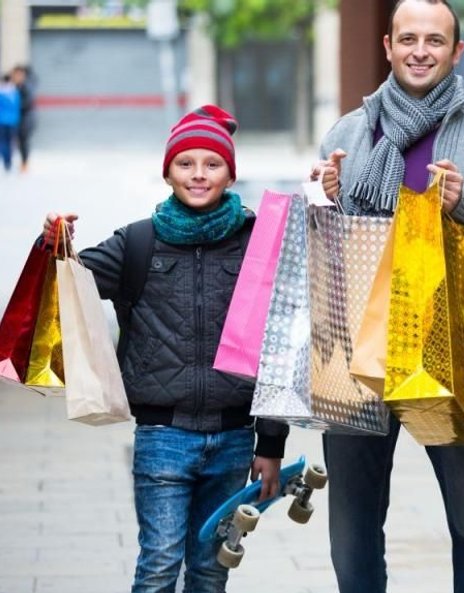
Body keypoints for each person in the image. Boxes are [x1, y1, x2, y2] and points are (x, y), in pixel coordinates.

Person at [309, 1, 464, 591]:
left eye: (435, 40)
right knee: (353, 529)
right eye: (408, 38)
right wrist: (329, 201)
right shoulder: (347, 134)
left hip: (451, 353)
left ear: (456, 52)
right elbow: (323, 257)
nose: (420, 50)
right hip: (357, 358)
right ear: (387, 46)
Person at [43, 105, 289, 593]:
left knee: (209, 569)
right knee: (158, 565)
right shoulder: (137, 242)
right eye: (186, 163)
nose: (199, 174)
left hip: (235, 436)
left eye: (212, 164)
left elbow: (279, 345)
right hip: (161, 436)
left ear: (230, 173)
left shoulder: (256, 243)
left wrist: (272, 445)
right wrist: (54, 243)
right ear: (168, 171)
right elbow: (67, 282)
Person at [10, 65, 36, 173]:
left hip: (25, 119)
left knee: (23, 141)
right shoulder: (12, 86)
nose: (16, 77)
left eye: (18, 75)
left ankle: (24, 163)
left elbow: (27, 103)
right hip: (15, 119)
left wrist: (13, 105)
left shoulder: (26, 87)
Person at [0, 73, 20, 173]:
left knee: (3, 142)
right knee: (11, 142)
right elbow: (17, 108)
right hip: (13, 121)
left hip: (2, 121)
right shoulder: (15, 92)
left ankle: (6, 161)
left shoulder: (1, 93)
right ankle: (10, 161)